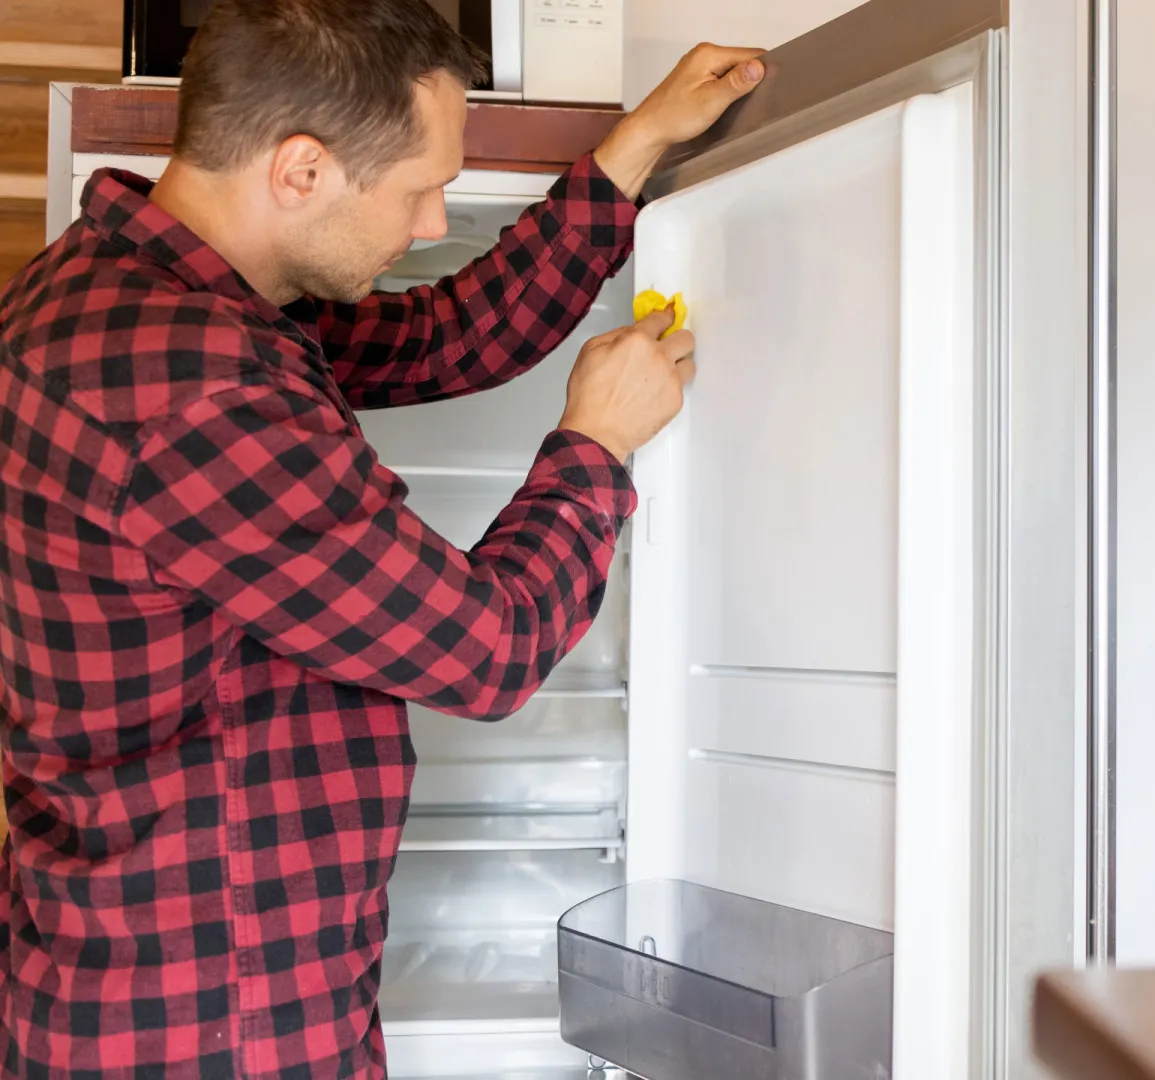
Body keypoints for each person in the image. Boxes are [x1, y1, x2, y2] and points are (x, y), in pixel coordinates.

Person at [0, 0, 761, 1074]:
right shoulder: (196, 395)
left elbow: (449, 335)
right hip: (216, 1018)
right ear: (301, 171)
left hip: (131, 964)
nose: (426, 222)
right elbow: (486, 650)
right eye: (418, 188)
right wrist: (596, 441)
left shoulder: (132, 296)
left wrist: (631, 148)